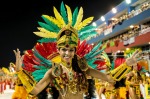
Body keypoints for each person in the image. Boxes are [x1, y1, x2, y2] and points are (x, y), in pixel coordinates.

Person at [13, 2, 141, 99]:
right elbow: (35, 90)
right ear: (58, 49)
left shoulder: (83, 67)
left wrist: (126, 65)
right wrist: (20, 72)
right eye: (63, 49)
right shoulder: (53, 71)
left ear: (75, 50)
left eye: (70, 50)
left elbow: (109, 78)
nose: (67, 53)